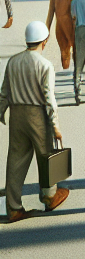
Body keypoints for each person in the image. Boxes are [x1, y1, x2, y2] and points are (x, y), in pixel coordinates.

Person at [0, 21, 70, 222]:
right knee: (46, 155)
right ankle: (49, 196)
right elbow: (49, 98)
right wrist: (55, 126)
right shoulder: (45, 65)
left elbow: (4, 92)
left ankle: (13, 208)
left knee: (15, 160)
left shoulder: (13, 61)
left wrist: (0, 112)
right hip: (36, 115)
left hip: (16, 115)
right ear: (45, 41)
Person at [44, 0, 80, 69]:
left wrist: (47, 31)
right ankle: (76, 74)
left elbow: (50, 14)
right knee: (76, 51)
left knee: (64, 53)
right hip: (72, 28)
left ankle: (65, 69)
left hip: (59, 28)